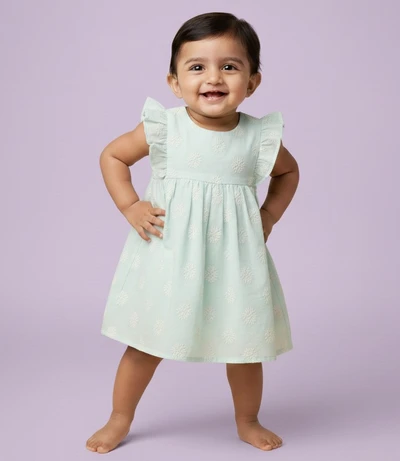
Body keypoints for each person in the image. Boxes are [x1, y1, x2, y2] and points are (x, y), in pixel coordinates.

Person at [86, 11, 300, 454]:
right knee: (145, 345)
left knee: (245, 349)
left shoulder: (257, 137)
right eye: (197, 66)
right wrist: (130, 205)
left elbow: (288, 172)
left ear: (252, 82)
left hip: (235, 263)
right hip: (170, 257)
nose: (213, 77)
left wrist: (268, 216)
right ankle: (119, 417)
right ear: (175, 82)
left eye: (229, 66)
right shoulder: (166, 128)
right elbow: (113, 156)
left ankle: (248, 419)